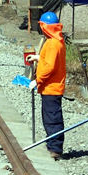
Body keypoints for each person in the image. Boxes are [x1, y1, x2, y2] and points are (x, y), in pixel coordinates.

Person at [26, 12, 67, 159]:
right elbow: (50, 61)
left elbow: (49, 67)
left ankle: (55, 148)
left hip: (51, 88)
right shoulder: (57, 41)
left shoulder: (52, 44)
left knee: (52, 119)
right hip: (52, 87)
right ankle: (52, 144)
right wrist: (38, 57)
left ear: (45, 27)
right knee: (50, 117)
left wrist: (37, 80)